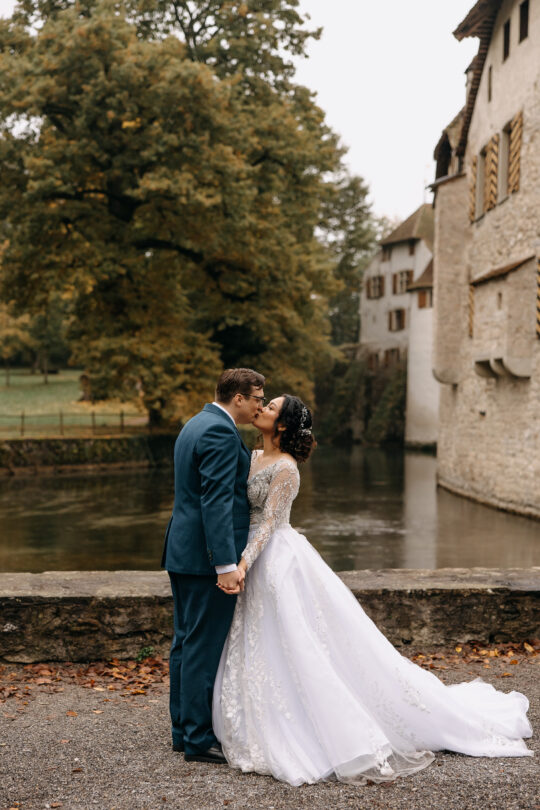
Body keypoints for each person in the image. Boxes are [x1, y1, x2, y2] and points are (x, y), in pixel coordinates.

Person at [212, 395, 533, 785]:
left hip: (274, 557)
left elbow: (268, 524)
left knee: (297, 639)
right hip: (250, 555)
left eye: (271, 407)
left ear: (281, 424)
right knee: (261, 638)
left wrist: (243, 564)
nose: (262, 408)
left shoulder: (287, 469)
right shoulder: (250, 457)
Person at [162, 367, 265, 764]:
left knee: (186, 642)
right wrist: (225, 564)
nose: (259, 407)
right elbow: (216, 500)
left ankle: (183, 730)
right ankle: (198, 739)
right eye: (257, 399)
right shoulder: (220, 432)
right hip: (206, 559)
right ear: (238, 398)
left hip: (183, 552)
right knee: (202, 647)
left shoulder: (196, 423)